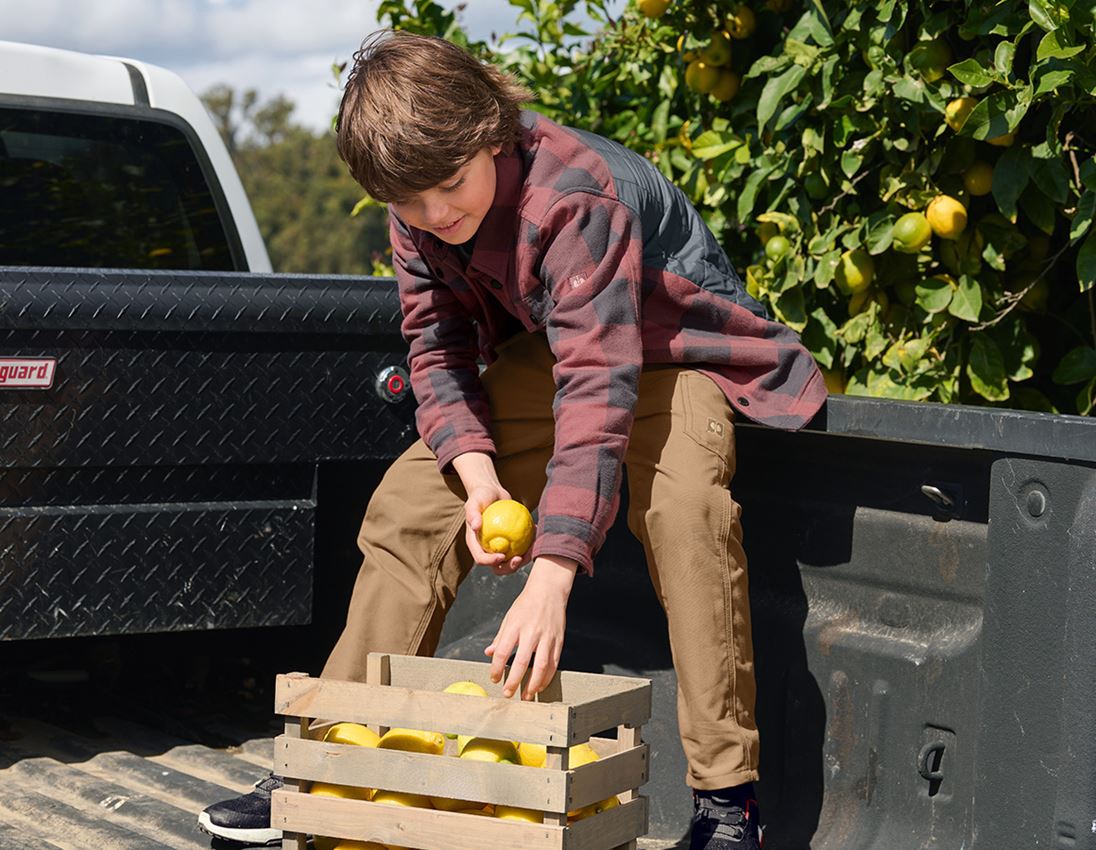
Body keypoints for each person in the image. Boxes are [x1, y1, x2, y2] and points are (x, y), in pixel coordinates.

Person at [199, 29, 826, 850]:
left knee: (685, 510)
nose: (435, 217)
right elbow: (436, 349)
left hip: (677, 355)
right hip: (564, 359)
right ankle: (322, 760)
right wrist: (480, 473)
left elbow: (599, 387)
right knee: (411, 499)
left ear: (491, 134)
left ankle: (725, 806)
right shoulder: (416, 207)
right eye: (410, 203)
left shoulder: (576, 198)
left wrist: (552, 572)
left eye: (449, 189)